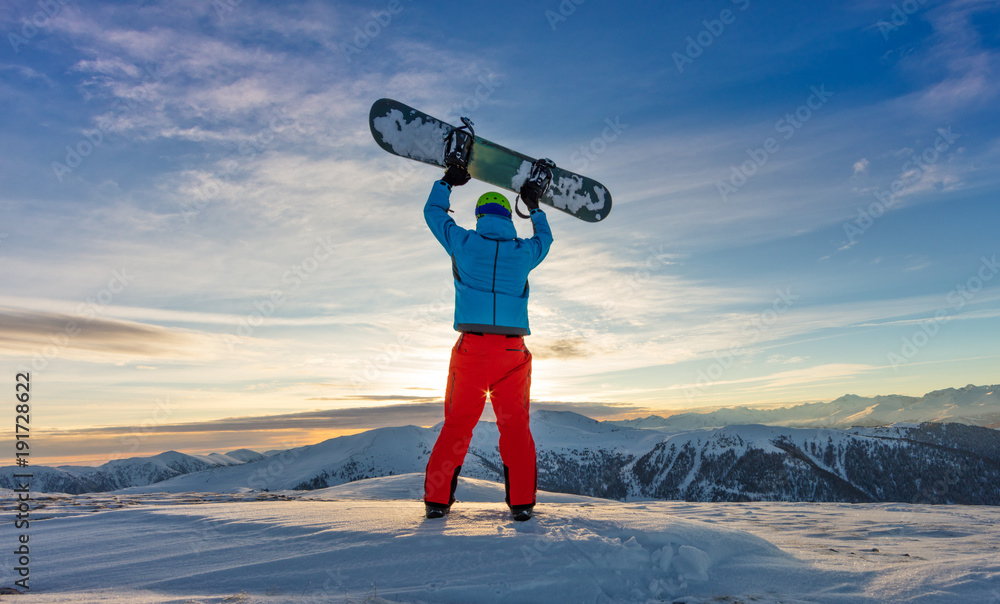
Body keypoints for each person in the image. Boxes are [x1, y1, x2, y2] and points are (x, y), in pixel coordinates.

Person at [422, 163, 553, 521]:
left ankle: (437, 501)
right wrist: (535, 207)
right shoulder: (523, 252)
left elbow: (432, 213)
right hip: (512, 352)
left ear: (480, 216)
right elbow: (546, 240)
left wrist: (447, 182)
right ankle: (522, 504)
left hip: (472, 349)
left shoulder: (463, 242)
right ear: (508, 218)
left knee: (458, 425)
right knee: (516, 429)